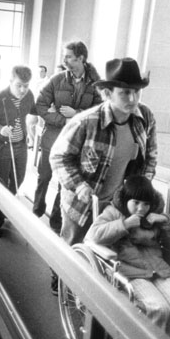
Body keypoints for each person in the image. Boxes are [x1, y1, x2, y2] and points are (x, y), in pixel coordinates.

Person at [50, 57, 157, 248]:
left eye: (136, 92)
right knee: (73, 251)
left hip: (118, 206)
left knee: (104, 255)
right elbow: (59, 157)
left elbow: (151, 155)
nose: (132, 99)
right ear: (108, 93)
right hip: (82, 205)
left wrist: (143, 186)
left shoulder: (145, 117)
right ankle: (58, 279)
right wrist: (79, 186)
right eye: (125, 93)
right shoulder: (86, 122)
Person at [85, 175, 170, 334]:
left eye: (146, 204)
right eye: (136, 202)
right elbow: (93, 235)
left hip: (157, 268)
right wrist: (124, 224)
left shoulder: (154, 216)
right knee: (160, 308)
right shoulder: (114, 212)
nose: (141, 208)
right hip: (131, 271)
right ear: (126, 200)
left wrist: (164, 221)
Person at [34, 41, 101, 230]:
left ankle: (56, 221)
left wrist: (76, 114)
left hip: (77, 142)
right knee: (44, 175)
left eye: (68, 56)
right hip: (52, 136)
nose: (64, 59)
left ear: (80, 58)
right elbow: (40, 105)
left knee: (66, 181)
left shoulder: (96, 84)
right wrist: (62, 120)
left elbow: (98, 112)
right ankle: (36, 209)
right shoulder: (56, 80)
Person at [0, 65, 36, 238]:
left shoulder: (29, 95)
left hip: (20, 145)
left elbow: (35, 109)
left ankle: (3, 210)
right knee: (0, 185)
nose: (23, 90)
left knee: (17, 181)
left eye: (26, 85)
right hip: (0, 146)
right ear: (10, 81)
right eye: (19, 85)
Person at [26, 65, 49, 149]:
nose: (40, 73)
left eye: (42, 71)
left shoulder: (48, 81)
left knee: (41, 125)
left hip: (43, 105)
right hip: (34, 105)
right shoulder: (34, 81)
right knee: (30, 123)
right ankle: (32, 142)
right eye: (39, 71)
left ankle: (39, 144)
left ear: (45, 72)